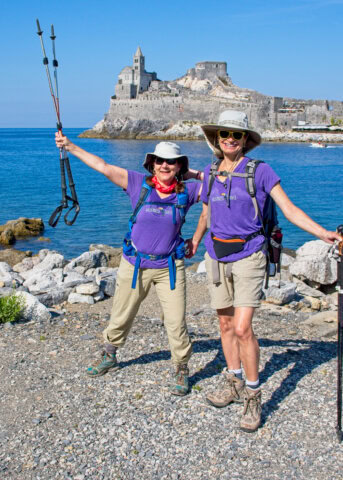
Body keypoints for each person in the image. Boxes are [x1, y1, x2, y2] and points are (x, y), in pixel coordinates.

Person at [186, 110, 341, 431]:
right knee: (225, 324)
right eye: (225, 133)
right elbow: (205, 212)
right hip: (215, 253)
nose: (230, 139)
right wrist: (195, 240)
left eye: (237, 135)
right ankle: (234, 381)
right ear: (217, 138)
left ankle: (254, 395)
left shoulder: (261, 171)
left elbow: (289, 208)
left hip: (249, 255)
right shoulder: (211, 172)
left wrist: (322, 233)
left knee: (243, 328)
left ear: (245, 141)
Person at [55, 133, 203, 395]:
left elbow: (222, 185)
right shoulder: (137, 184)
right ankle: (110, 355)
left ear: (179, 164)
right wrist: (70, 146)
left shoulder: (187, 192)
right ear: (152, 163)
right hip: (133, 265)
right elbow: (103, 166)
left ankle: (181, 368)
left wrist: (192, 176)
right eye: (159, 160)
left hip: (169, 267)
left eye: (171, 162)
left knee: (176, 322)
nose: (164, 166)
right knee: (121, 314)